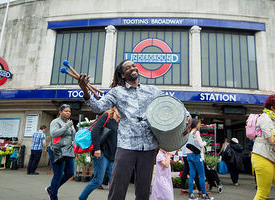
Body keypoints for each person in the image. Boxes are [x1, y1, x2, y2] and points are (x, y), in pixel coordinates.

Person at [78, 59, 191, 200]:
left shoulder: (151, 90)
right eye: (127, 67)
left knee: (143, 191)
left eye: (133, 65)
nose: (132, 68)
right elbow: (98, 107)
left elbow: (170, 102)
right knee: (117, 188)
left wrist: (187, 115)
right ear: (123, 75)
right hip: (127, 146)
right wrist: (85, 91)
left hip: (149, 146)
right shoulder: (116, 92)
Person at [78, 107, 120, 200]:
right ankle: (81, 198)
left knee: (114, 182)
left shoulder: (119, 122)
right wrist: (97, 149)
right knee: (97, 181)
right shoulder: (107, 117)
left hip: (113, 156)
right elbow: (95, 131)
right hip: (102, 154)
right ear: (115, 108)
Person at [45, 104, 76, 200]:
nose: (68, 113)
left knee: (70, 173)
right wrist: (66, 126)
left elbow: (72, 135)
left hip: (68, 150)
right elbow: (54, 134)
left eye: (69, 111)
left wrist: (74, 143)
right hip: (57, 150)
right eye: (66, 111)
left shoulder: (69, 122)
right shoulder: (56, 122)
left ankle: (51, 188)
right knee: (58, 175)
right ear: (60, 112)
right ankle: (53, 196)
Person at [186, 117, 214, 200]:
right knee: (202, 175)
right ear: (196, 124)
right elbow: (201, 145)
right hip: (196, 156)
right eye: (198, 123)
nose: (199, 124)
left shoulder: (189, 133)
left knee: (192, 175)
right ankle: (204, 195)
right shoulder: (196, 133)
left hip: (189, 155)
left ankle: (190, 195)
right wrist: (205, 142)